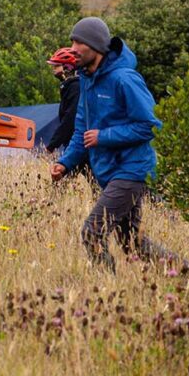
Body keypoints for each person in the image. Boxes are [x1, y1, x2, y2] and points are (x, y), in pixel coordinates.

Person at [50, 17, 174, 272]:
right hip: (108, 171)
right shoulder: (86, 79)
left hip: (132, 170)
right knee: (132, 243)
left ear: (95, 46)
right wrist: (65, 162)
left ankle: (106, 290)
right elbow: (82, 129)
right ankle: (188, 274)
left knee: (92, 233)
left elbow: (151, 125)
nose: (73, 48)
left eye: (79, 42)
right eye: (72, 41)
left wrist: (104, 136)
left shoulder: (124, 79)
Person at [45, 47, 81, 154]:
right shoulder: (68, 87)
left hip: (77, 145)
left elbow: (69, 119)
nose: (53, 68)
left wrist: (52, 145)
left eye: (56, 65)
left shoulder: (75, 87)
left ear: (68, 67)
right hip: (71, 143)